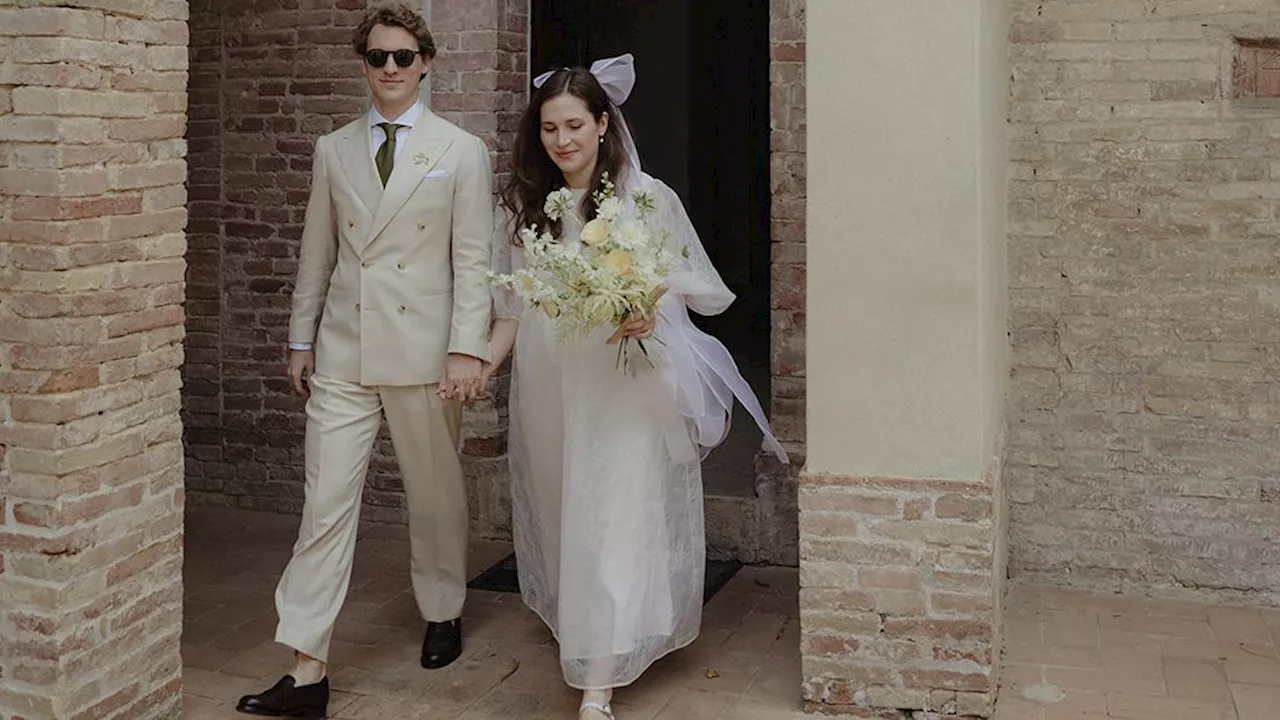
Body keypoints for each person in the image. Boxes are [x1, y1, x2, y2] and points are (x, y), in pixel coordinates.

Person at [483, 54, 788, 720]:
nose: (562, 141)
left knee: (615, 509)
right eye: (549, 129)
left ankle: (600, 674)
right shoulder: (524, 209)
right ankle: (589, 622)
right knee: (566, 503)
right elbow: (511, 306)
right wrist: (480, 365)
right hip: (550, 381)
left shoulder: (644, 198)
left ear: (602, 124)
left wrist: (649, 299)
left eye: (574, 126)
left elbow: (696, 283)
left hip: (623, 380)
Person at [236, 3, 493, 717]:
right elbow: (317, 250)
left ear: (426, 63)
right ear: (363, 65)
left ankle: (442, 608)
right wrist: (299, 337)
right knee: (323, 506)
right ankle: (307, 668)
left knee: (435, 494)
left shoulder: (460, 150)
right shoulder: (334, 148)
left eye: (403, 57)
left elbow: (474, 261)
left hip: (426, 356)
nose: (390, 69)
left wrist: (467, 349)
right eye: (377, 57)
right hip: (345, 353)